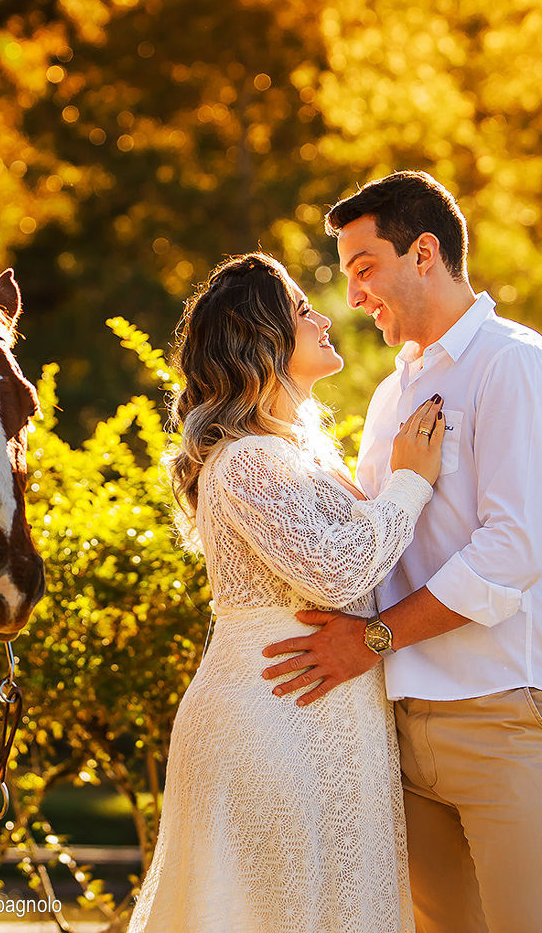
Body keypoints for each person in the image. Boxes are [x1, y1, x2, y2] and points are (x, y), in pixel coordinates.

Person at [261, 170, 542, 933]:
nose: (354, 297)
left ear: (425, 253)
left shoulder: (516, 363)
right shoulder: (389, 395)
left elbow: (509, 552)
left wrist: (371, 640)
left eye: (364, 269)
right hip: (398, 727)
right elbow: (369, 543)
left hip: (503, 713)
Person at [128, 251, 445, 933]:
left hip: (323, 716)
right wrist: (410, 482)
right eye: (303, 310)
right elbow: (337, 574)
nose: (325, 317)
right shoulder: (246, 460)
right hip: (268, 723)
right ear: (261, 336)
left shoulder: (297, 454)